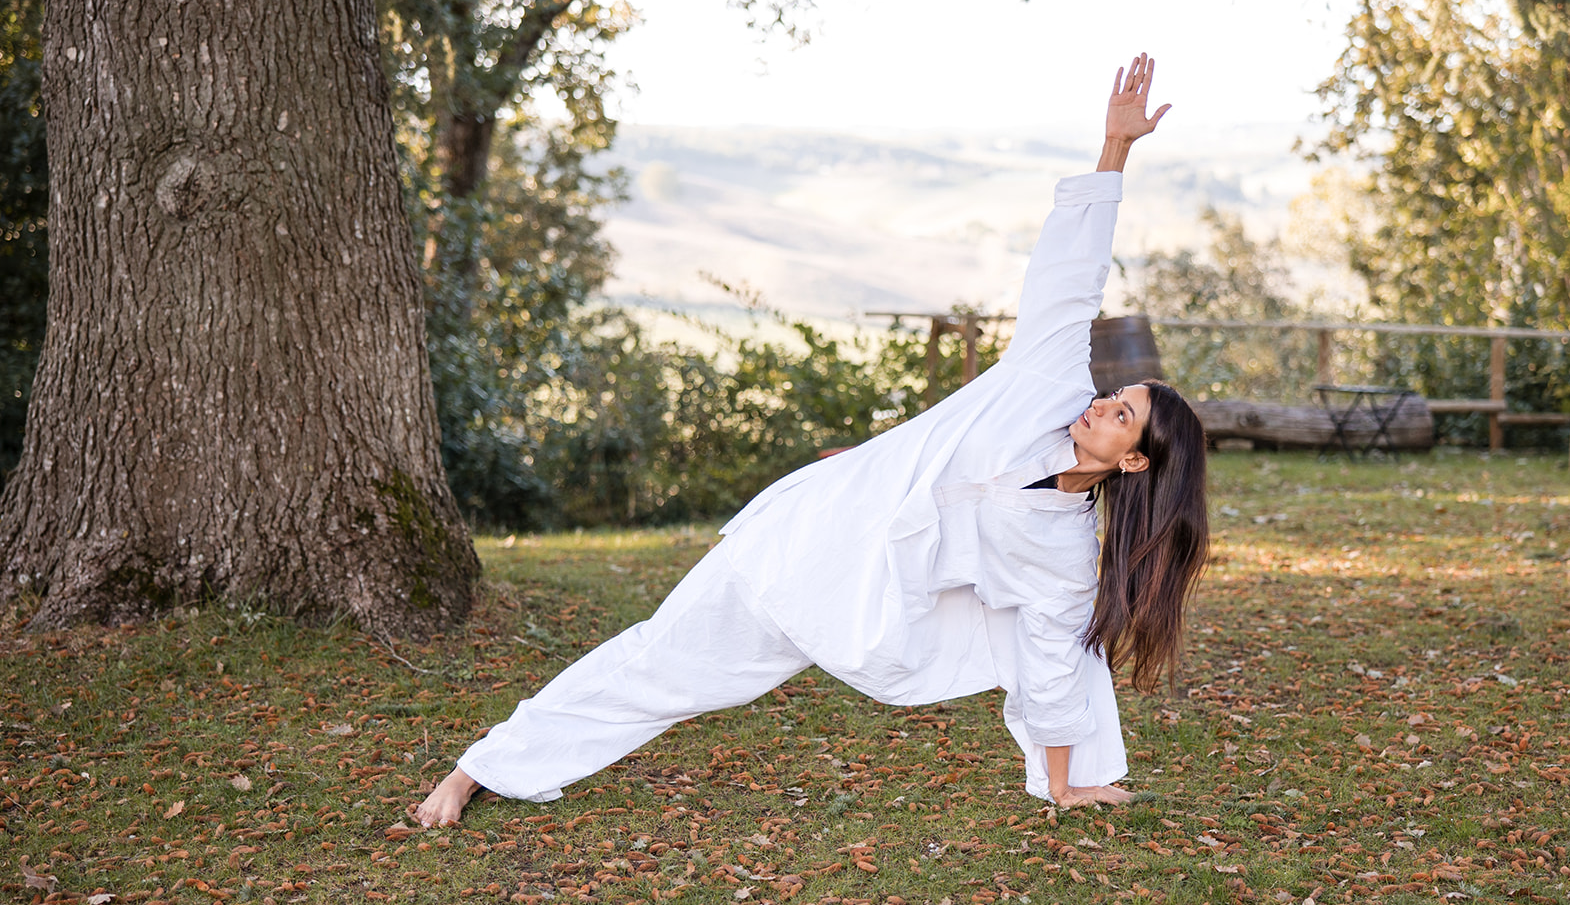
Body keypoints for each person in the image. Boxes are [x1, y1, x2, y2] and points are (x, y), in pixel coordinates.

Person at [414, 52, 1208, 827]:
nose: (1101, 405)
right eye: (1113, 395)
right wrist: (1115, 148)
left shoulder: (1065, 553)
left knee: (1072, 642)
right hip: (797, 533)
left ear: (1134, 459)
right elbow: (1070, 275)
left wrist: (1066, 786)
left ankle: (491, 766)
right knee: (654, 658)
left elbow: (1052, 660)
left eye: (1122, 414)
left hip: (849, 605)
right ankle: (479, 768)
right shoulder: (1047, 379)